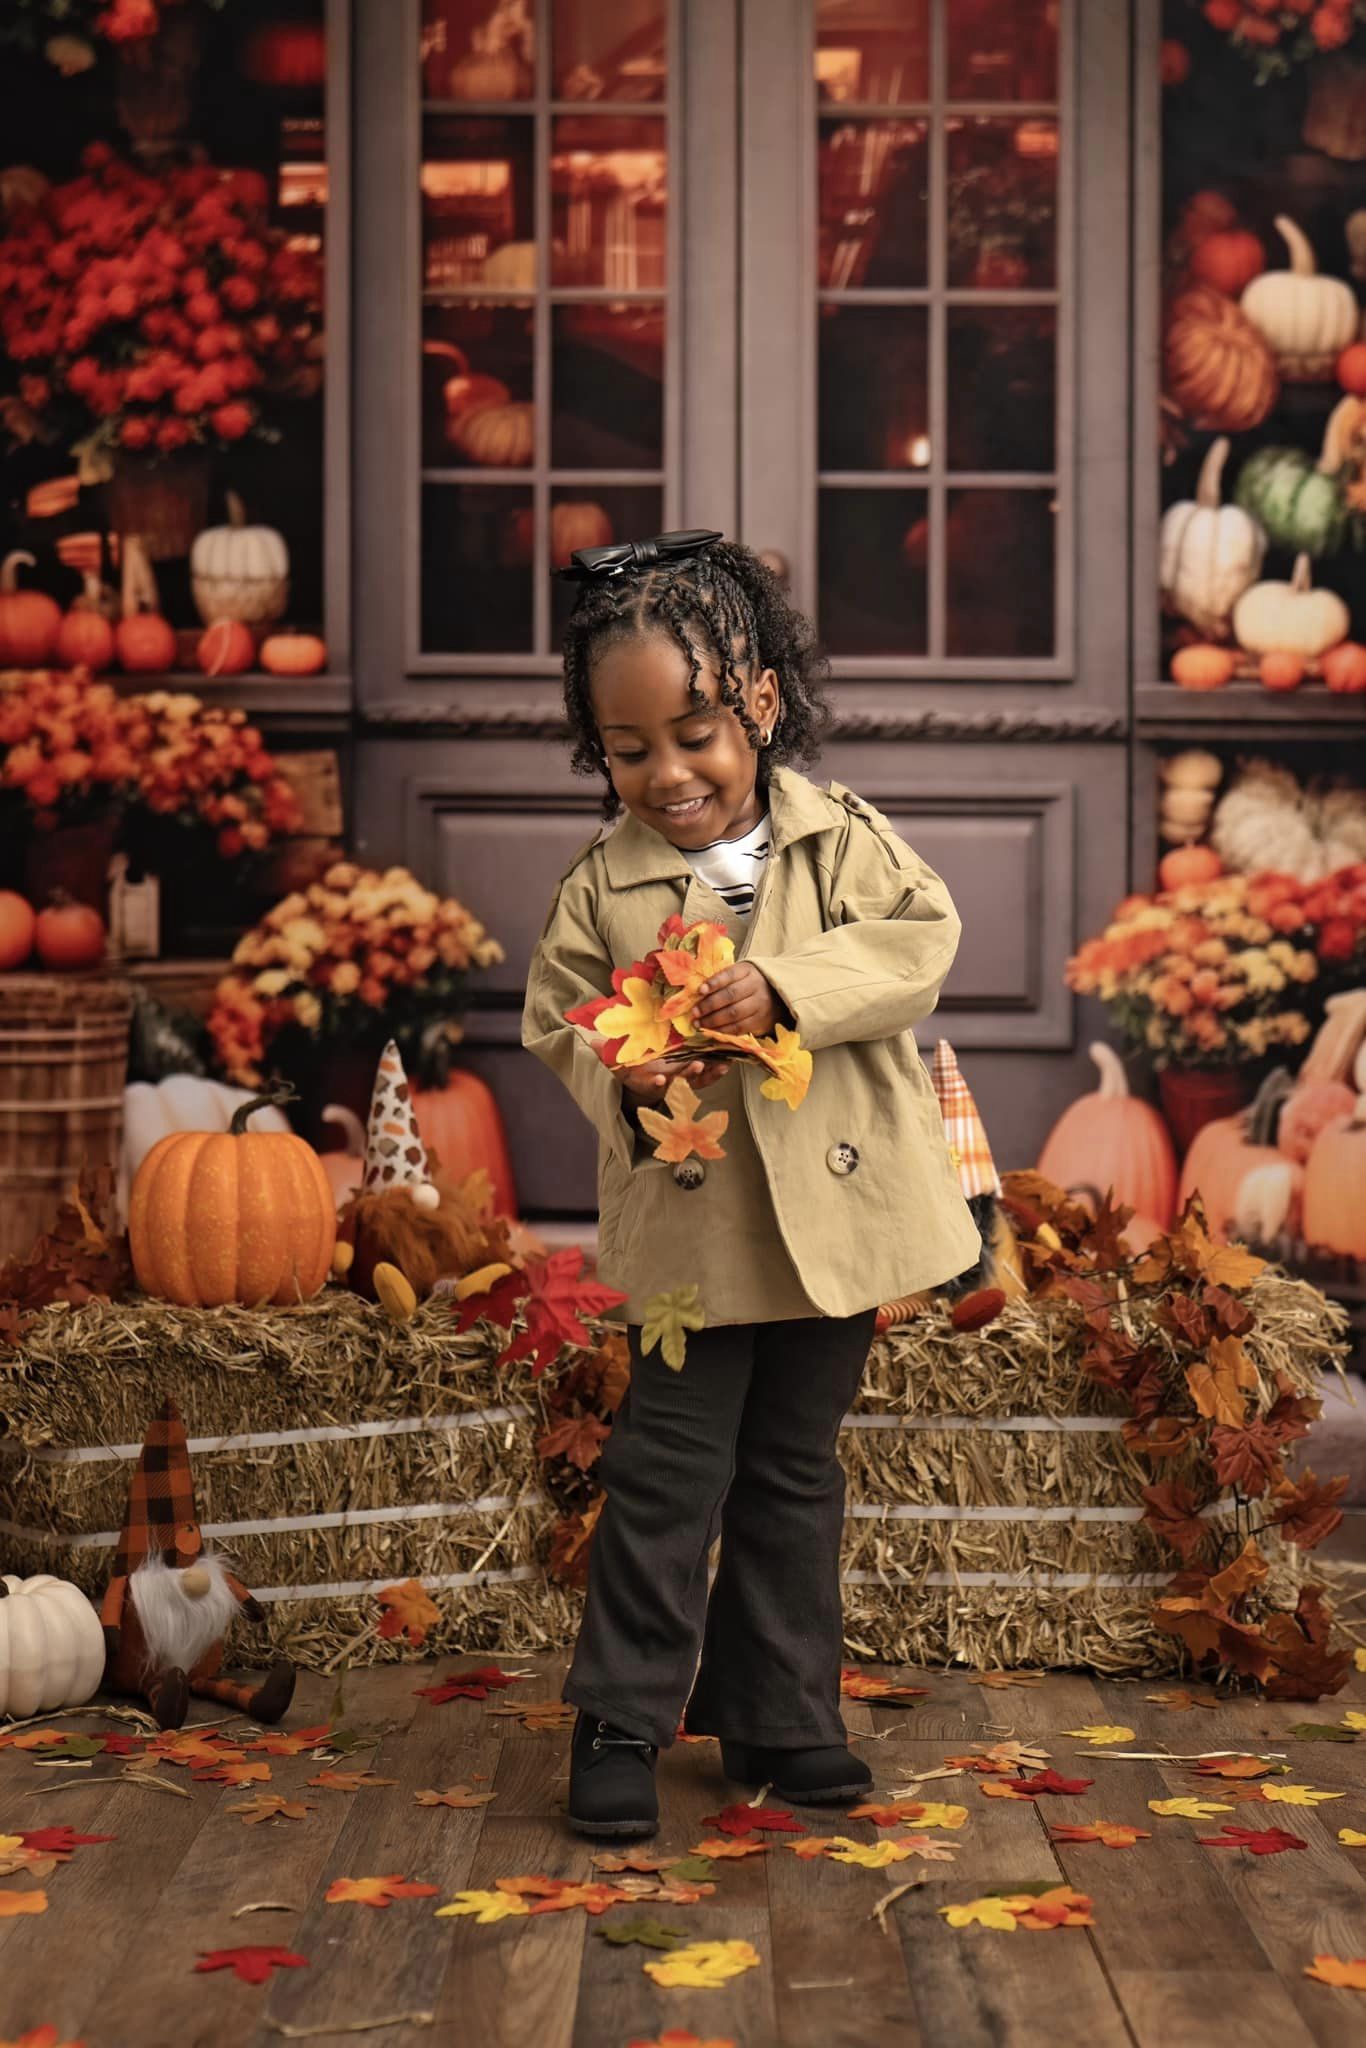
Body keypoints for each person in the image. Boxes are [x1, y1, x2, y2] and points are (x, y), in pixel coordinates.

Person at [522, 530, 982, 1838]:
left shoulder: (845, 843)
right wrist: (629, 1059)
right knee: (667, 1472)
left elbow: (917, 943)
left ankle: (777, 1714)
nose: (668, 773)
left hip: (831, 1230)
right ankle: (619, 1720)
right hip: (695, 1240)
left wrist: (787, 984)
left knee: (793, 1468)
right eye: (628, 751)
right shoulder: (598, 889)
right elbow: (562, 1016)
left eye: (697, 732)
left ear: (761, 704)